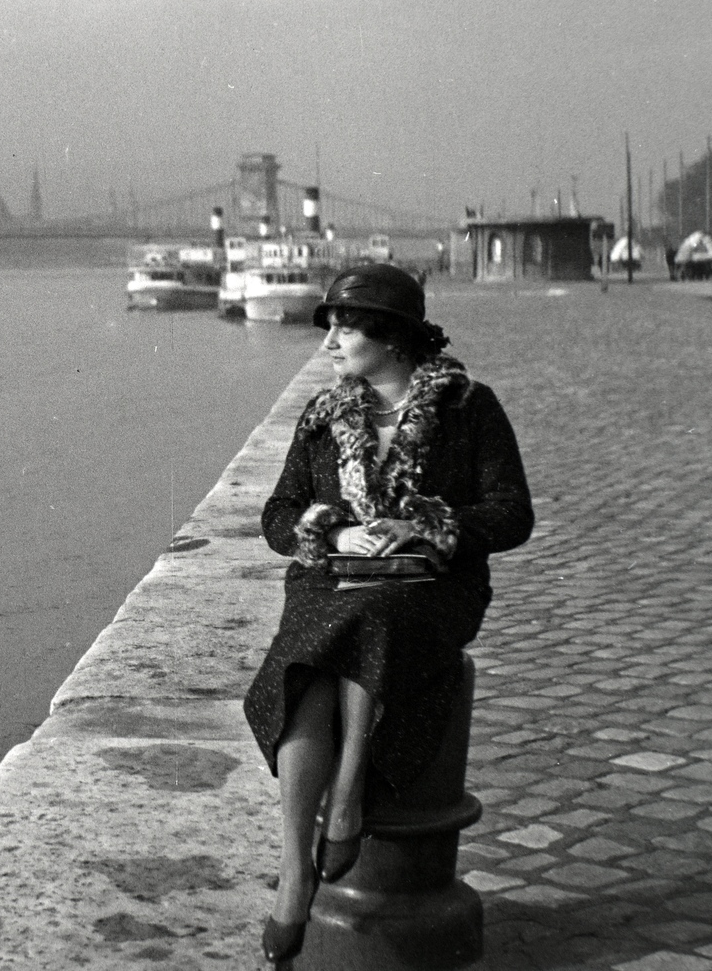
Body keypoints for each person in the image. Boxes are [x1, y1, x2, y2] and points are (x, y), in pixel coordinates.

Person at [243, 264, 533, 965]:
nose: (333, 339)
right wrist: (335, 532)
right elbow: (278, 515)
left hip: (434, 586)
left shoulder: (468, 407)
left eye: (347, 325)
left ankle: (346, 800)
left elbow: (512, 513)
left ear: (395, 337)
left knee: (367, 621)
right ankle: (295, 867)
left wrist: (426, 525)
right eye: (334, 326)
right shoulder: (323, 416)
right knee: (303, 659)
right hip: (333, 578)